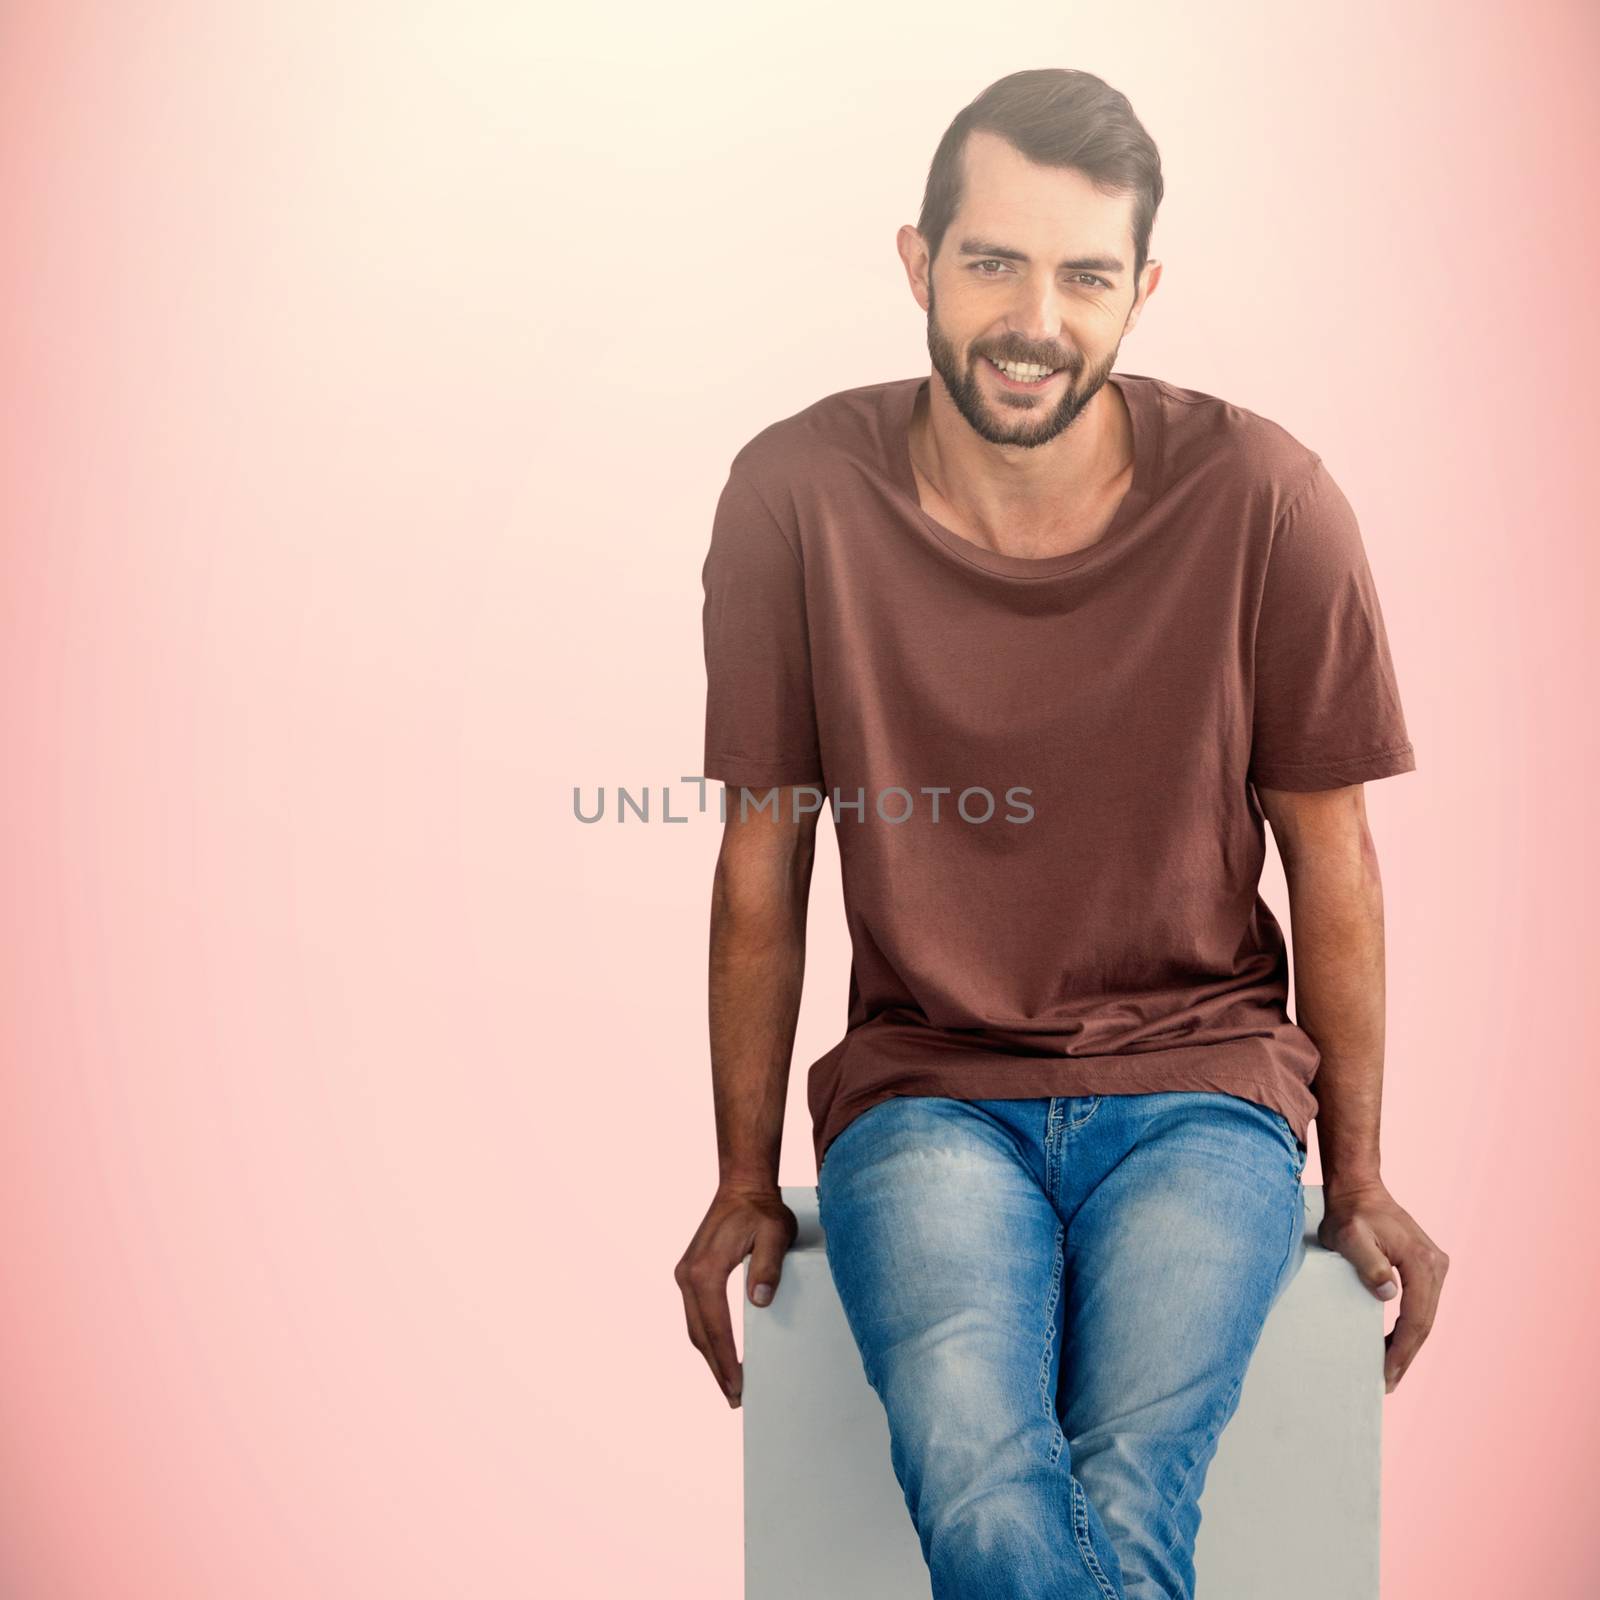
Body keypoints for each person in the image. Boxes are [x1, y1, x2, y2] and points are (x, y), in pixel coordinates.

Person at [673, 67, 1448, 1599]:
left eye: (1084, 274)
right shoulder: (794, 496)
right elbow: (764, 860)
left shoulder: (1267, 501)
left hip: (1203, 1086)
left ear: (1141, 291)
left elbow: (1331, 859)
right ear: (919, 263)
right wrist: (742, 1175)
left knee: (1131, 1476)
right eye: (992, 263)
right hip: (928, 1093)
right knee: (975, 1458)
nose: (1035, 317)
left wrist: (1354, 1174)